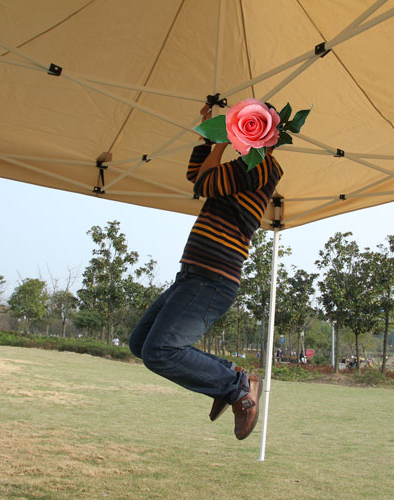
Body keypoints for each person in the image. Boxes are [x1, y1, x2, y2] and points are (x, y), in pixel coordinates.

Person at [129, 102, 283, 440]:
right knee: (140, 343)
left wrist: (220, 141)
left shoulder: (263, 167)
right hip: (194, 274)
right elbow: (196, 175)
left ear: (267, 136)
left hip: (213, 277)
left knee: (159, 352)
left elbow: (205, 184)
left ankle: (237, 387)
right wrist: (208, 131)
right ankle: (227, 382)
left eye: (249, 127)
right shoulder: (241, 167)